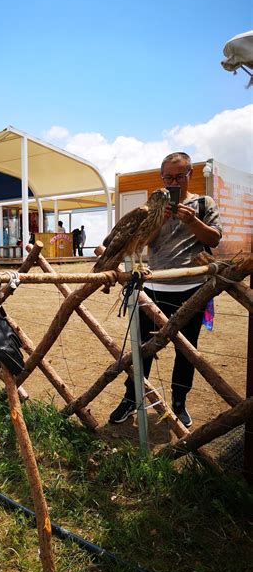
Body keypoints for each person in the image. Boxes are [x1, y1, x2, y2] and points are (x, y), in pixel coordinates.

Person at [108, 152, 222, 428]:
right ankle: (131, 397)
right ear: (161, 178)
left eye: (179, 176)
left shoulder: (204, 203)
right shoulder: (153, 207)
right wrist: (160, 218)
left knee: (186, 350)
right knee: (143, 348)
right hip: (154, 287)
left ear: (189, 175)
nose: (174, 182)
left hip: (191, 288)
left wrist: (192, 221)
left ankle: (179, 403)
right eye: (168, 177)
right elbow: (142, 241)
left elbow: (215, 239)